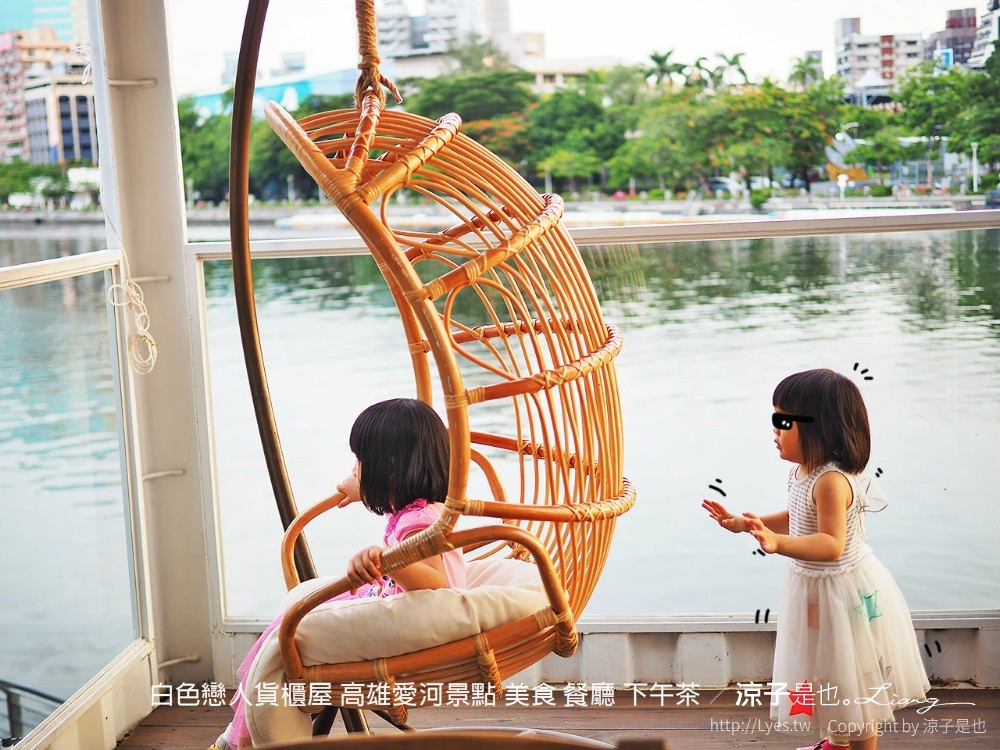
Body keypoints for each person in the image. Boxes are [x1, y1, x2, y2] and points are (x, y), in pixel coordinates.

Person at [212, 398, 465, 750]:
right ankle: (236, 735)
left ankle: (237, 741)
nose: (355, 468)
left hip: (405, 628)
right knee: (290, 620)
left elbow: (439, 586)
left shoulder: (419, 526)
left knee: (283, 641)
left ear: (389, 469)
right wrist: (361, 489)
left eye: (361, 462)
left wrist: (389, 560)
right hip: (392, 612)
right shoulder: (421, 511)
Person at [702, 369, 928, 750]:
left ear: (820, 429)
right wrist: (746, 523)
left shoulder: (831, 481)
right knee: (826, 668)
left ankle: (857, 744)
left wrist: (779, 544)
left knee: (853, 677)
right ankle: (836, 742)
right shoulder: (801, 473)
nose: (775, 429)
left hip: (842, 590)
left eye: (784, 422)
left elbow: (830, 544)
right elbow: (796, 516)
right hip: (812, 587)